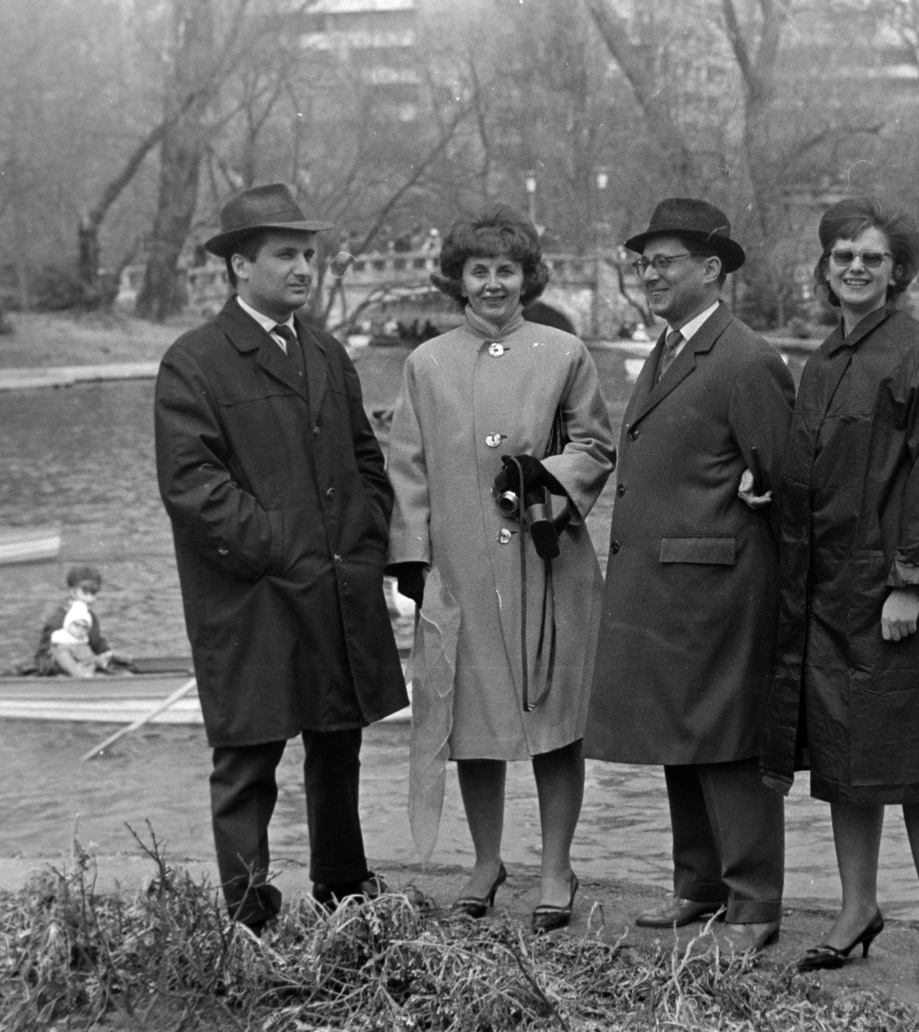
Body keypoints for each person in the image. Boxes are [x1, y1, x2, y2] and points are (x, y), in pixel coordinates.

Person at [154, 182, 408, 934]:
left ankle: (341, 888)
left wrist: (361, 544)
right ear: (239, 265)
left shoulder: (326, 351)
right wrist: (277, 545)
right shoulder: (194, 361)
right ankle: (247, 918)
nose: (304, 267)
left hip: (334, 582)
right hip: (252, 592)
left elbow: (366, 462)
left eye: (308, 253)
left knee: (338, 744)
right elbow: (192, 486)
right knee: (247, 757)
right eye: (285, 253)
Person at [761, 197, 919, 994]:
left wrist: (909, 582)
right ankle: (856, 911)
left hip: (897, 599)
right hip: (830, 595)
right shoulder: (823, 360)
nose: (854, 267)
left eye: (872, 258)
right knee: (847, 760)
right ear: (825, 266)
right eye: (842, 254)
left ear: (899, 273)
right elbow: (818, 472)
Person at [386, 206, 614, 933]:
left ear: (527, 278)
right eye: (478, 270)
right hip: (460, 569)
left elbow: (596, 444)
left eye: (505, 270)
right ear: (458, 278)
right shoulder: (427, 364)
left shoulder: (563, 350)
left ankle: (556, 864)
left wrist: (544, 475)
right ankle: (486, 860)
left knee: (554, 719)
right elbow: (408, 470)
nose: (492, 283)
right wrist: (413, 563)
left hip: (548, 565)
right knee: (471, 719)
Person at [585, 198, 795, 954]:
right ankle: (699, 886)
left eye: (665, 261)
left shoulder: (747, 359)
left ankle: (754, 905)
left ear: (712, 270)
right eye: (644, 263)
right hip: (671, 591)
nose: (650, 274)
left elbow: (781, 484)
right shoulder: (672, 348)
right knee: (683, 737)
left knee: (730, 743)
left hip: (722, 590)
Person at [32, 565, 128, 675]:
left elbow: (96, 642)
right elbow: (43, 655)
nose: (90, 599)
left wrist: (106, 652)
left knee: (125, 672)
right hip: (64, 671)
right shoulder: (58, 620)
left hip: (87, 663)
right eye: (85, 593)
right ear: (73, 592)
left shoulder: (90, 616)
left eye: (93, 594)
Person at [49, 601, 115, 678]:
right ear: (68, 624)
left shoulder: (82, 643)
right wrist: (82, 674)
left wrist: (102, 662)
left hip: (86, 673)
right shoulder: (60, 645)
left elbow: (90, 657)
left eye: (85, 627)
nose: (80, 630)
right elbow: (68, 664)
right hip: (68, 678)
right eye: (77, 625)